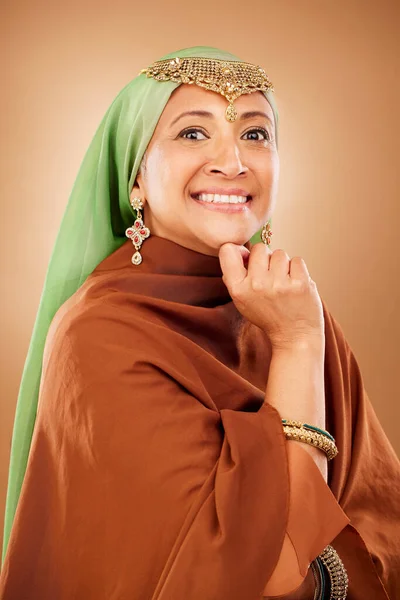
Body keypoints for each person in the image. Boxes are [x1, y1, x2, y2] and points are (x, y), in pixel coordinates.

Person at [0, 45, 399, 600]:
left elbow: (382, 522)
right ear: (136, 180)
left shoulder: (292, 306)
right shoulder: (101, 335)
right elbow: (262, 576)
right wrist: (296, 347)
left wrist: (299, 334)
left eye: (255, 134)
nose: (232, 162)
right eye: (192, 133)